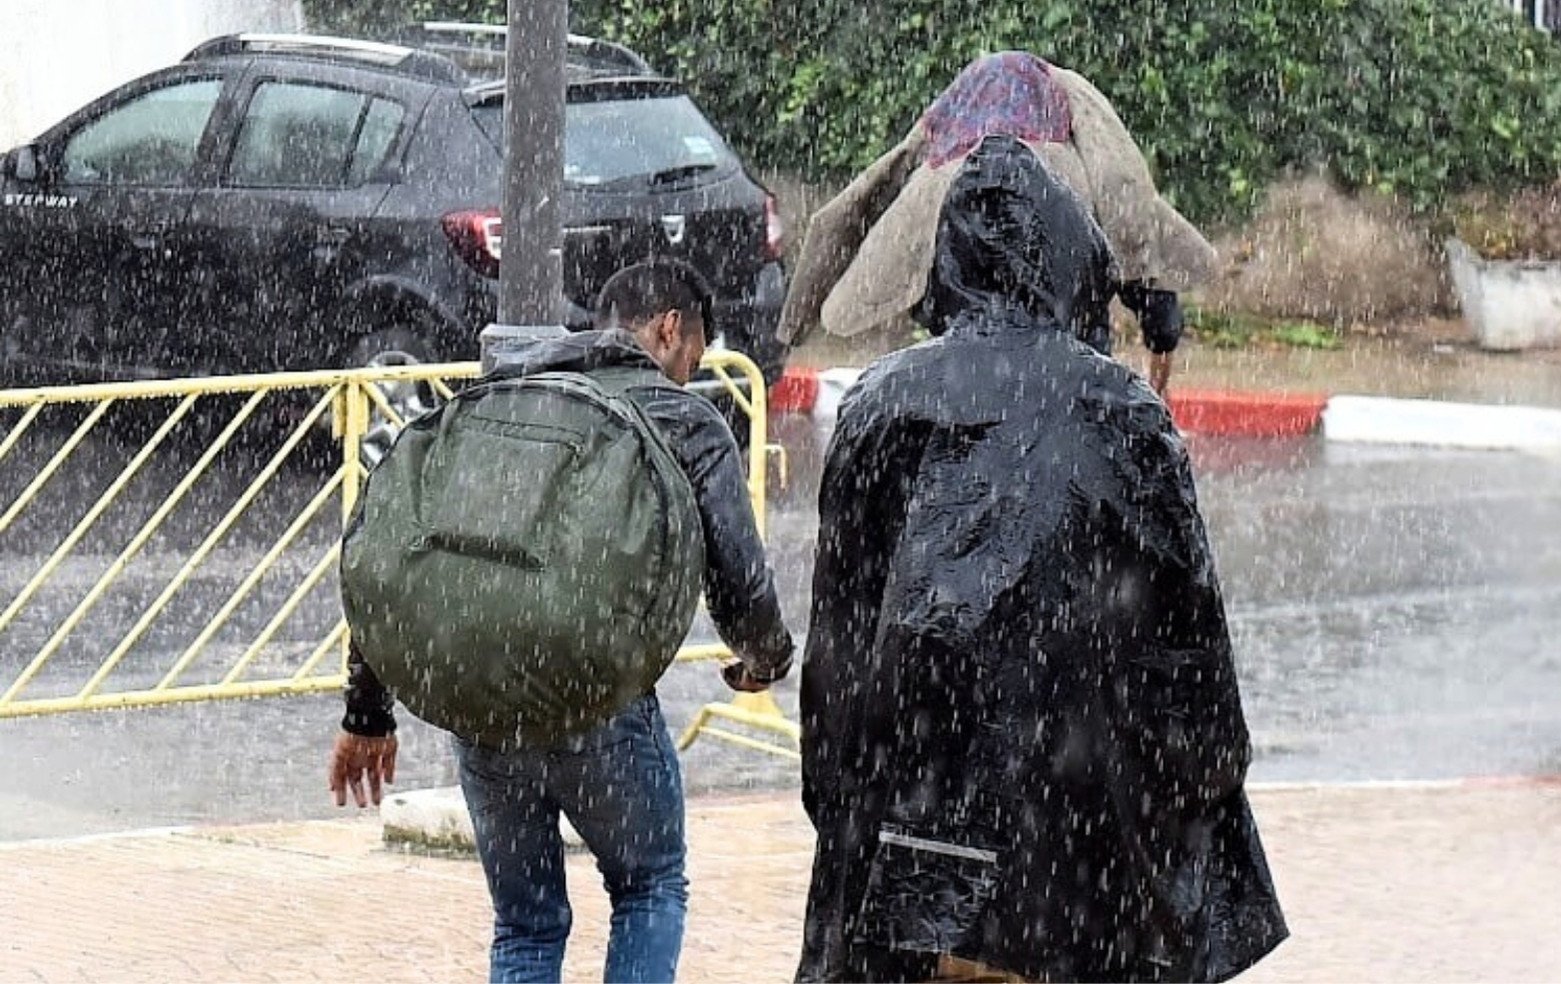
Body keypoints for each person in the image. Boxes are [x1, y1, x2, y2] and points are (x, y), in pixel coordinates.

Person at [795, 135, 1286, 983]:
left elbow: (838, 647)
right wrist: (1203, 781)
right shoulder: (1122, 414)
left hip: (924, 816)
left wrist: (844, 806)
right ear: (1072, 267)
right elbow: (1187, 647)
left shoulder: (879, 405)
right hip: (1081, 832)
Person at [329, 258, 795, 984]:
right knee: (649, 886)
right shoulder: (683, 418)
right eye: (691, 359)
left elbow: (397, 554)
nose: (687, 375)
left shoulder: (505, 395)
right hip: (597, 702)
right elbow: (739, 579)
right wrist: (765, 659)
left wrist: (367, 713)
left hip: (479, 701)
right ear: (670, 329)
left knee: (525, 925)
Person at [777, 50, 1215, 396]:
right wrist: (1154, 396)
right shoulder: (1080, 139)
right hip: (1072, 369)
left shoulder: (944, 141)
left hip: (965, 374)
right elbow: (1130, 205)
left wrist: (792, 328)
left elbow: (853, 207)